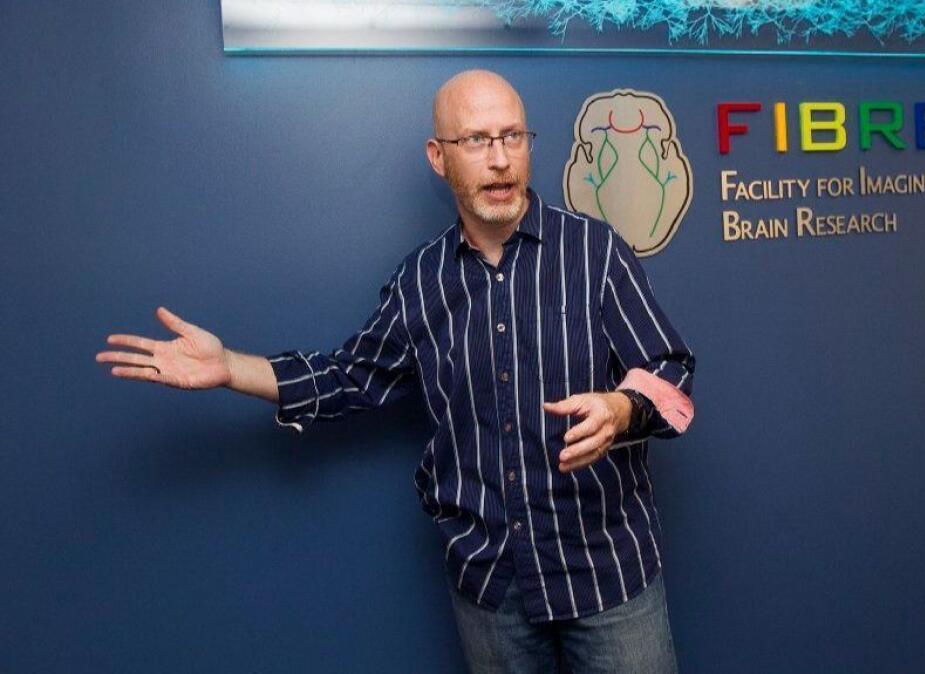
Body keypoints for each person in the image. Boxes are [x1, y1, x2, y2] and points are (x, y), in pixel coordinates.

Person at [96, 69, 695, 673]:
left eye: (513, 137)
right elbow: (348, 378)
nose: (500, 160)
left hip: (606, 572)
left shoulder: (595, 251)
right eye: (477, 141)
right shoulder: (421, 281)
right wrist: (228, 367)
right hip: (491, 586)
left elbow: (671, 370)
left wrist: (620, 411)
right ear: (439, 157)